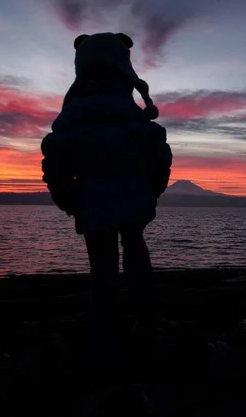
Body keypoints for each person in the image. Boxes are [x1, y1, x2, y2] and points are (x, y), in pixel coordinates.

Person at [41, 32, 173, 343]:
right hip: (133, 195)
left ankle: (107, 323)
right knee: (135, 249)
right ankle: (145, 317)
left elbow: (57, 154)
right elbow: (158, 150)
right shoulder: (128, 110)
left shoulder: (75, 111)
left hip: (93, 198)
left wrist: (66, 196)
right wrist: (152, 189)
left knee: (102, 261)